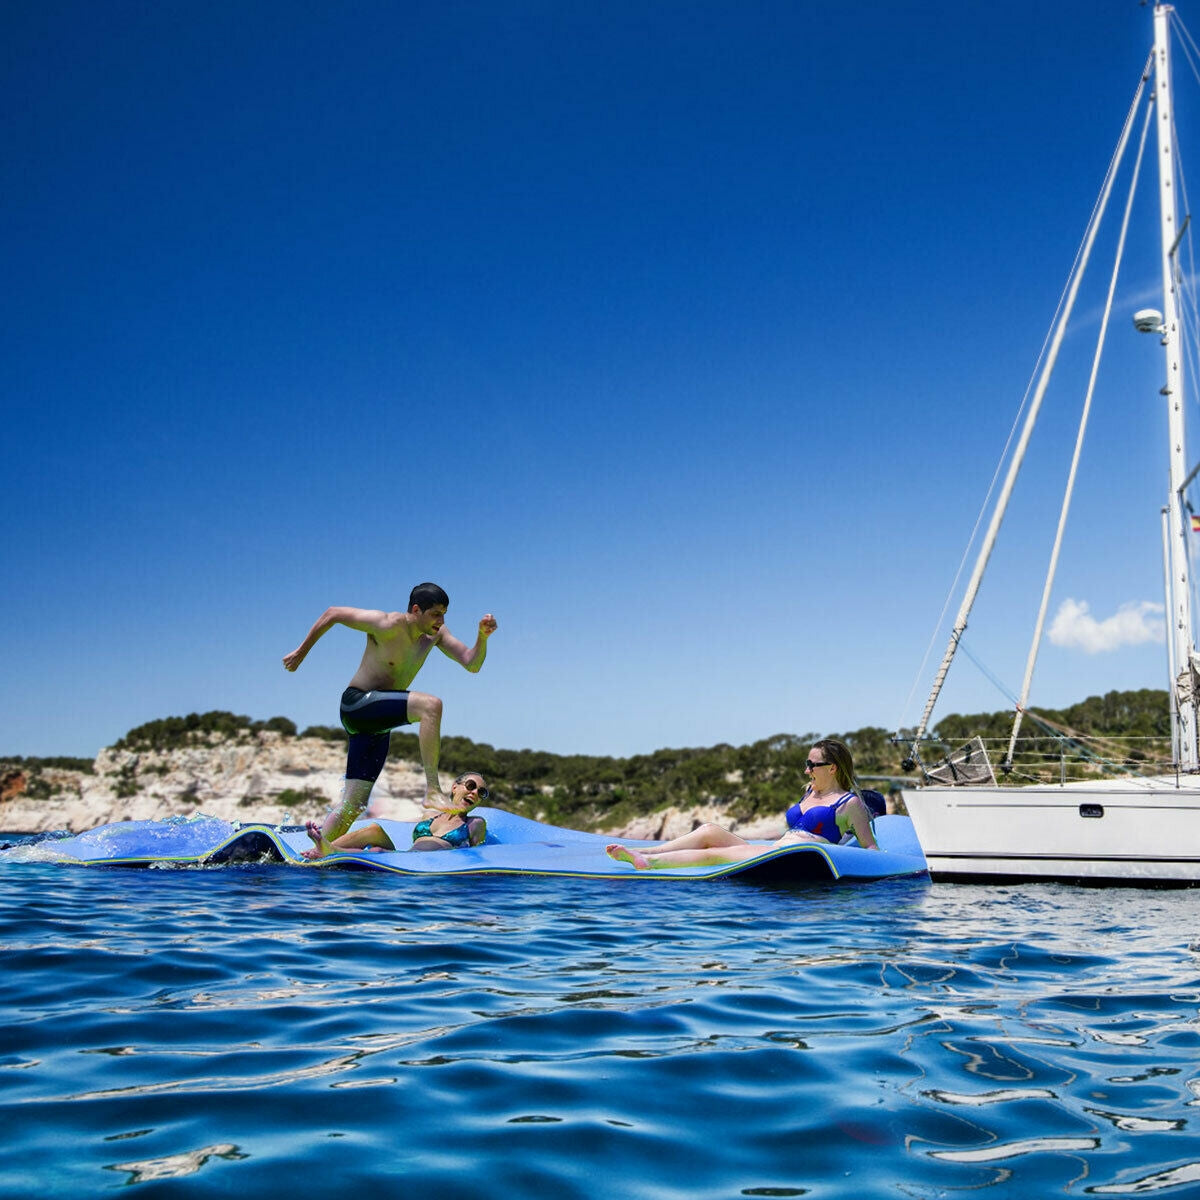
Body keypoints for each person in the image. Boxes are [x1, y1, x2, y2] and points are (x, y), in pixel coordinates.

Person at [282, 582, 497, 859]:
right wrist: (301, 652)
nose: (441, 621)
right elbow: (332, 613)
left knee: (354, 805)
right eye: (435, 614)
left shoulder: (436, 635)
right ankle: (432, 789)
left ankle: (312, 853)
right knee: (431, 706)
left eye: (444, 614)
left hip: (377, 723)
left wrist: (482, 637)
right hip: (357, 704)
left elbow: (472, 663)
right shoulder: (386, 624)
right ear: (416, 610)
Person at [605, 738, 879, 869]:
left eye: (812, 765)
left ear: (832, 768)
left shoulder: (849, 803)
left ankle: (649, 862)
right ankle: (652, 850)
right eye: (805, 764)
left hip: (794, 859)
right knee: (710, 830)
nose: (807, 770)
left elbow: (870, 847)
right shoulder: (809, 792)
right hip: (774, 852)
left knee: (714, 855)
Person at [321, 772, 491, 855]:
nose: (475, 792)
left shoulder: (474, 823)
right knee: (373, 829)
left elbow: (477, 855)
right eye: (470, 786)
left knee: (378, 851)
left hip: (428, 867)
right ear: (455, 787)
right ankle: (324, 847)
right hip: (406, 858)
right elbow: (398, 825)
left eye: (481, 792)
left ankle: (332, 851)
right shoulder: (430, 815)